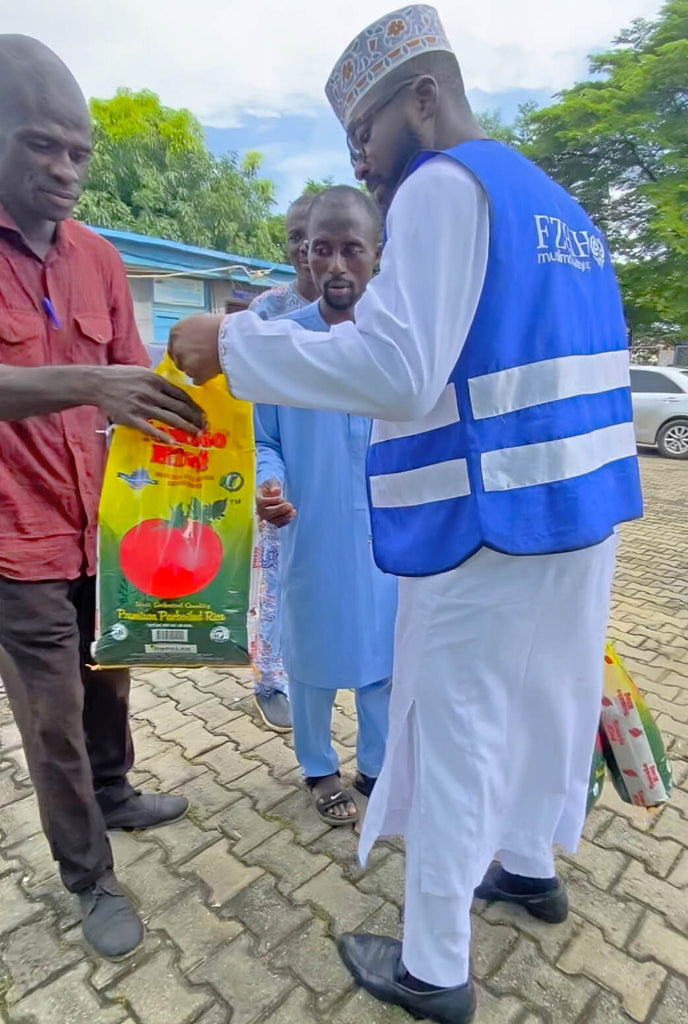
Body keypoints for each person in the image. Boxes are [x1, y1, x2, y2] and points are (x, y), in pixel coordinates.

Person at [169, 6, 643, 1021]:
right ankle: (526, 866)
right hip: (579, 511)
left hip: (488, 523)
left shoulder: (444, 187)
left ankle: (435, 966)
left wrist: (236, 343)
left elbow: (394, 365)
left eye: (368, 139)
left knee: (457, 724)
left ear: (421, 100)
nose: (369, 168)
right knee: (542, 700)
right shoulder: (562, 207)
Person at [0, 35, 205, 961]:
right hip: (17, 542)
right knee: (53, 725)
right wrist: (92, 383)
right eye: (44, 145)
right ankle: (89, 881)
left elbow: (133, 376)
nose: (67, 169)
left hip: (104, 524)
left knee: (110, 679)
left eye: (79, 151)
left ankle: (118, 794)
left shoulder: (101, 258)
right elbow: (101, 380)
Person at [255, 185, 396, 824]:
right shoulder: (278, 344)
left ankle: (377, 765)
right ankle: (317, 766)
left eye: (352, 249)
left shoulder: (397, 345)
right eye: (321, 250)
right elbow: (266, 441)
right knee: (311, 660)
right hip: (311, 530)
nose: (336, 265)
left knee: (382, 660)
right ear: (304, 257)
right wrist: (270, 484)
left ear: (376, 256)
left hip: (389, 533)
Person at [245, 193, 320, 732]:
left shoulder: (371, 310)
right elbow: (250, 406)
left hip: (347, 471)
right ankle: (271, 679)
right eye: (294, 236)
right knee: (276, 574)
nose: (303, 248)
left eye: (312, 236)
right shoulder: (267, 311)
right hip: (283, 463)